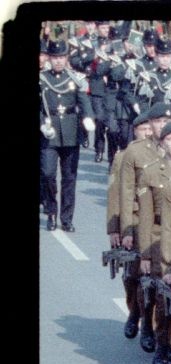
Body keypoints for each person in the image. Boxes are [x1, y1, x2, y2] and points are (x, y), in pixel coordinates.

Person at [39, 38, 97, 232]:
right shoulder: (41, 79)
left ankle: (66, 218)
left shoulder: (74, 78)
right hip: (50, 132)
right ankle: (51, 211)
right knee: (47, 174)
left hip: (71, 132)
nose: (58, 61)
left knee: (69, 177)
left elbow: (84, 101)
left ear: (66, 58)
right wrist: (41, 125)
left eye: (61, 57)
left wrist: (88, 118)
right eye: (54, 57)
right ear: (49, 58)